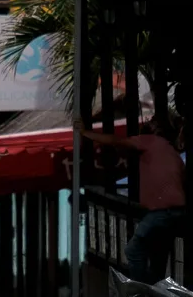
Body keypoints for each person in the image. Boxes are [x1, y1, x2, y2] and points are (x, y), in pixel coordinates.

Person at [79, 117, 185, 283]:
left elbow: (118, 140)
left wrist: (86, 133)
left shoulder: (152, 141)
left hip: (161, 212)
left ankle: (140, 290)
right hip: (176, 213)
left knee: (133, 250)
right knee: (158, 257)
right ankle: (154, 294)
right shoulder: (174, 154)